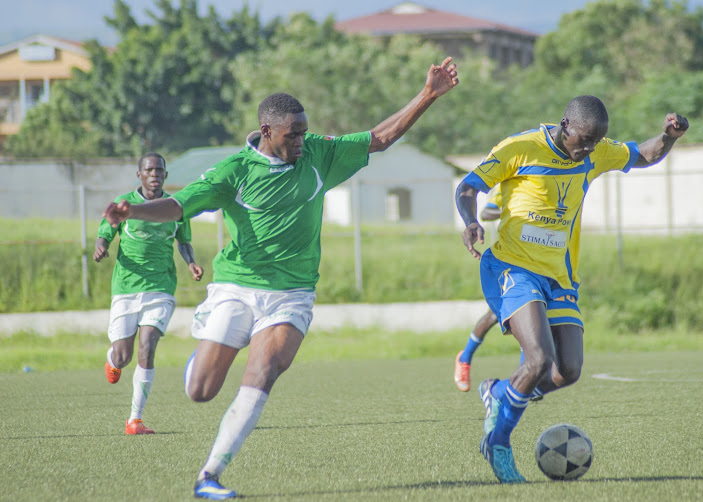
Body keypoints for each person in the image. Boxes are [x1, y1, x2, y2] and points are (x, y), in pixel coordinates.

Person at [103, 57, 459, 499]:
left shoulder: (320, 154)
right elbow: (179, 206)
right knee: (200, 391)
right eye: (294, 135)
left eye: (305, 132)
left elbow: (380, 137)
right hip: (236, 287)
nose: (302, 142)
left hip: (292, 293)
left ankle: (209, 474)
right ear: (267, 132)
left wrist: (428, 94)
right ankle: (203, 359)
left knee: (265, 368)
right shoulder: (234, 171)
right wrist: (132, 211)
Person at [455, 95, 688, 483]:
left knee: (569, 370)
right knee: (538, 361)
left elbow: (642, 154)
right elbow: (469, 186)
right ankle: (497, 444)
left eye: (594, 143)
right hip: (513, 267)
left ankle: (499, 392)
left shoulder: (595, 153)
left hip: (559, 276)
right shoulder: (520, 148)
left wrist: (669, 137)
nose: (587, 149)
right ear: (565, 125)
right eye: (582, 140)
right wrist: (469, 221)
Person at [94, 152, 204, 435]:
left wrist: (191, 262)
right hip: (127, 288)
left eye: (159, 170)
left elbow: (183, 241)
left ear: (165, 175)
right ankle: (112, 360)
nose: (155, 174)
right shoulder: (125, 205)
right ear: (139, 175)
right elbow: (107, 229)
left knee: (147, 346)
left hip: (161, 287)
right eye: (149, 169)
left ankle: (135, 419)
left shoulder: (175, 208)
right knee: (123, 355)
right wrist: (101, 246)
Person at [454, 185, 501, 392]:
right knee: (498, 314)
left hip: (549, 256)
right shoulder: (518, 169)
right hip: (513, 255)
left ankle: (531, 377)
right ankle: (465, 358)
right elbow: (487, 212)